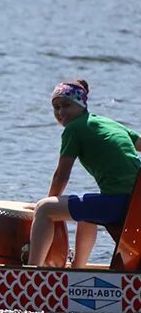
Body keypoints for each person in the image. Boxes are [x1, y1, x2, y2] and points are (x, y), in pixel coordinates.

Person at [28, 80, 141, 267]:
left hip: (120, 204)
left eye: (67, 105)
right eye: (56, 107)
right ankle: (78, 269)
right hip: (135, 202)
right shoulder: (109, 123)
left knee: (44, 209)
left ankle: (31, 274)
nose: (61, 112)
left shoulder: (74, 129)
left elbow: (61, 176)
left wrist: (46, 205)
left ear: (81, 105)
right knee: (87, 211)